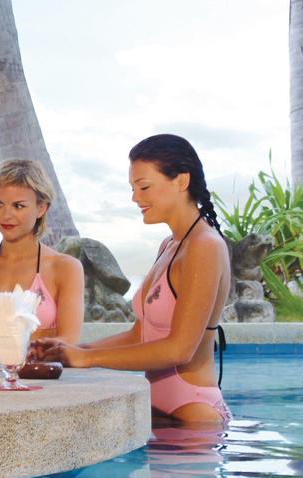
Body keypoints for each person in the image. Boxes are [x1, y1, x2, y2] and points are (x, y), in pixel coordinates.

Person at [31, 134, 231, 423]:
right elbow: (141, 334)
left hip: (193, 415)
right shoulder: (170, 245)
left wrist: (88, 359)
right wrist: (72, 351)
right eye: (133, 188)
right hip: (159, 409)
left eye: (144, 186)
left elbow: (180, 349)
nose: (135, 198)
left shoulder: (205, 246)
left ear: (181, 181)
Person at [0, 158, 84, 343]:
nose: (6, 215)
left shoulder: (65, 268)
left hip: (35, 371)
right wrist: (38, 336)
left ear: (41, 208)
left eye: (18, 206)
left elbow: (68, 341)